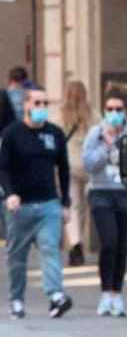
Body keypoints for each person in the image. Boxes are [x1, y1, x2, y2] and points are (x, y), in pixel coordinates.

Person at [0, 85, 74, 319]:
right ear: (26, 105)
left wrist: (65, 203)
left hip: (48, 205)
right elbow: (3, 168)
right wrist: (9, 193)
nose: (42, 108)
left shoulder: (55, 133)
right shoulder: (12, 134)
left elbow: (63, 168)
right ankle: (17, 300)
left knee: (50, 249)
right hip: (18, 206)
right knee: (17, 257)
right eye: (37, 103)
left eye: (45, 104)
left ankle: (55, 296)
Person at [82, 90, 127, 317]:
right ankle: (106, 293)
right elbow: (88, 163)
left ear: (125, 112)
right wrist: (106, 146)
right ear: (105, 111)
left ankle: (116, 293)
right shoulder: (96, 133)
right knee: (109, 242)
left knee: (123, 247)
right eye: (110, 109)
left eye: (118, 109)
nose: (114, 113)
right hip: (102, 192)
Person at [57, 80, 98, 267]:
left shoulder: (61, 116)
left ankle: (76, 244)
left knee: (73, 206)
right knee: (85, 208)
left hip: (69, 167)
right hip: (90, 167)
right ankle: (80, 239)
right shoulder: (93, 115)